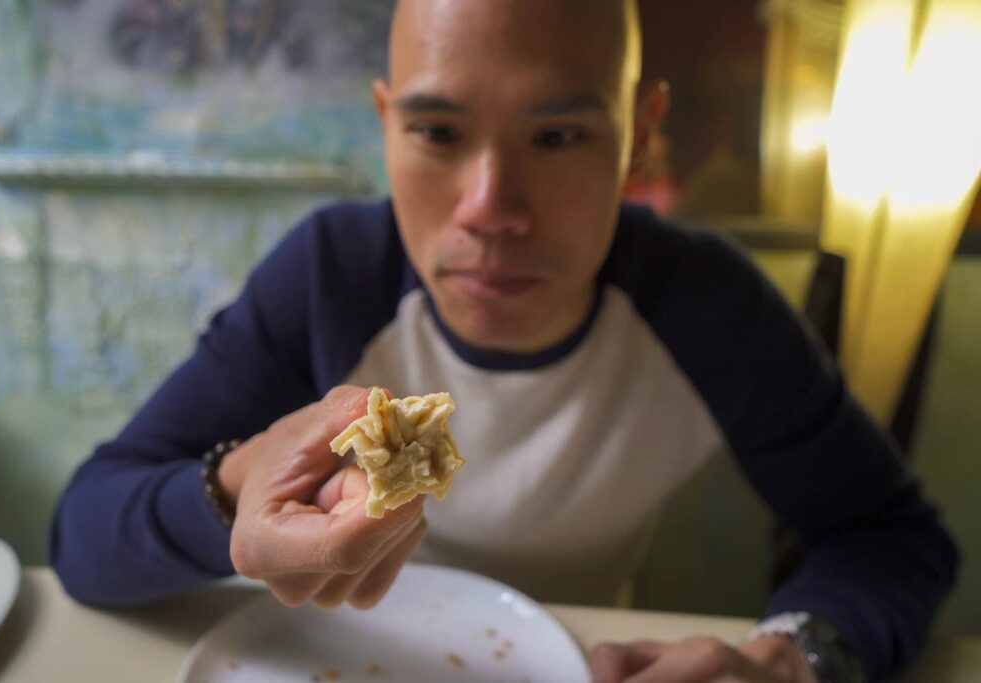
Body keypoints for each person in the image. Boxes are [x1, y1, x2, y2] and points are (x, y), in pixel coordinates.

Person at [50, 1, 958, 681]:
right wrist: (229, 488)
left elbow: (893, 538)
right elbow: (85, 530)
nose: (491, 211)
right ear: (384, 123)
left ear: (638, 136)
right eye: (437, 132)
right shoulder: (331, 277)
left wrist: (790, 657)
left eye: (558, 134)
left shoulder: (711, 308)